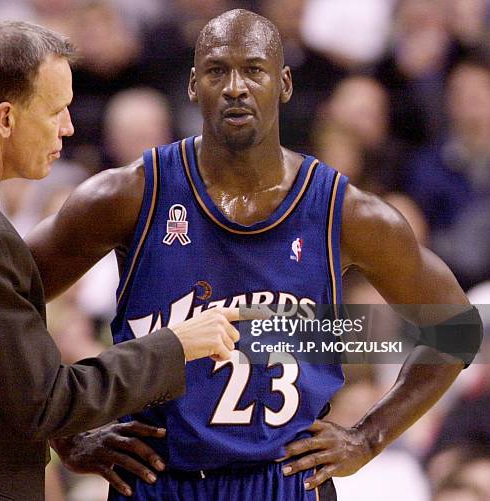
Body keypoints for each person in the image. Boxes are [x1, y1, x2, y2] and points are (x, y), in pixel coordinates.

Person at [27, 10, 482, 501]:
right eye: (217, 71)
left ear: (284, 83)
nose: (235, 87)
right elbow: (0, 299)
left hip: (285, 481)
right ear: (193, 85)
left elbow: (455, 328)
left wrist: (368, 437)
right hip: (159, 479)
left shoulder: (345, 212)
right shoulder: (129, 195)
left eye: (254, 70)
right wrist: (66, 432)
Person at [0, 21, 242, 500]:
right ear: (6, 119)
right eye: (56, 112)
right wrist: (174, 345)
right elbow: (47, 402)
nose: (68, 127)